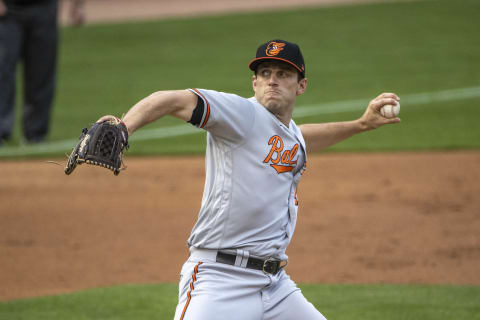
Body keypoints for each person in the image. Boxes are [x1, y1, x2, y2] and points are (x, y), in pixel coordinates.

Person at [98, 39, 401, 320]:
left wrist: (361, 125)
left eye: (283, 74)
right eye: (265, 72)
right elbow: (171, 100)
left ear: (301, 85)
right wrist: (125, 127)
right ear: (254, 82)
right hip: (219, 281)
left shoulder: (288, 133)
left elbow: (302, 141)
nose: (272, 79)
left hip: (274, 285)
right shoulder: (241, 114)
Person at [0, 0, 85, 145]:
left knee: (42, 72)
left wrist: (77, 6)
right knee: (3, 70)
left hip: (45, 8)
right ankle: (2, 130)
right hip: (8, 10)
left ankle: (35, 134)